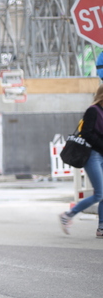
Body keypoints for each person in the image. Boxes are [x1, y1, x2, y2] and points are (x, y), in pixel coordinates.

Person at [59, 83, 103, 238]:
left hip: (101, 155)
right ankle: (68, 215)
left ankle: (101, 228)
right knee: (99, 194)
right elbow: (86, 133)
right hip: (93, 155)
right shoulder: (93, 111)